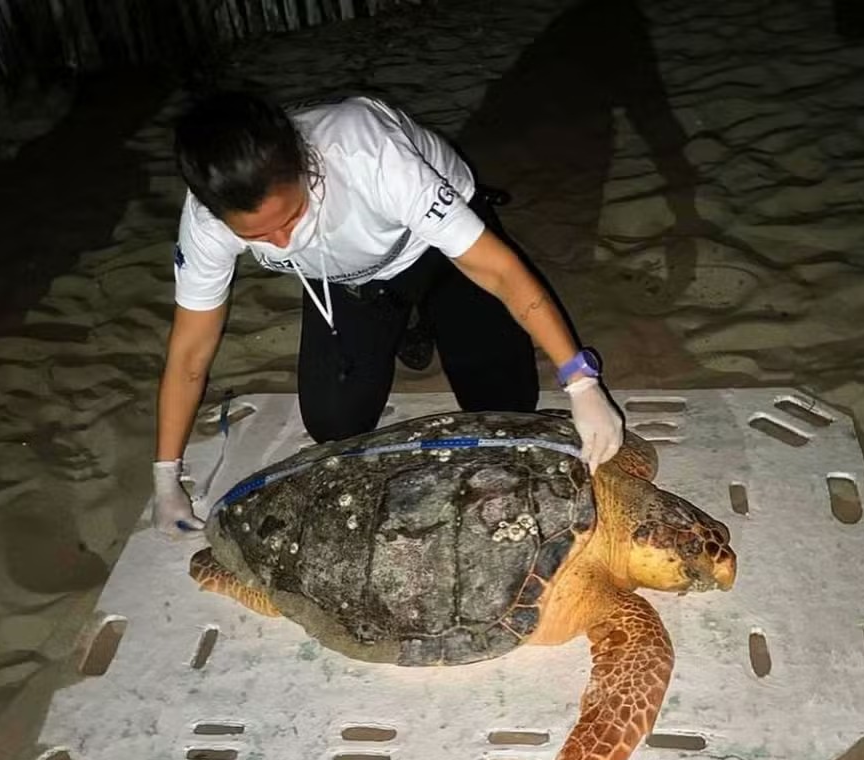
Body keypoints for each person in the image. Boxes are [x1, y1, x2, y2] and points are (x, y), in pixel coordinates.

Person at [152, 91, 623, 535]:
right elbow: (191, 350)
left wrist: (580, 381)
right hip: (342, 280)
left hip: (438, 253)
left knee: (504, 409)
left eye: (291, 218)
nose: (281, 242)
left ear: (306, 167)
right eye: (257, 237)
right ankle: (401, 323)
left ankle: (427, 314)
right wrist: (166, 476)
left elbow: (499, 272)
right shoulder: (206, 220)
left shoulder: (368, 155)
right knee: (334, 425)